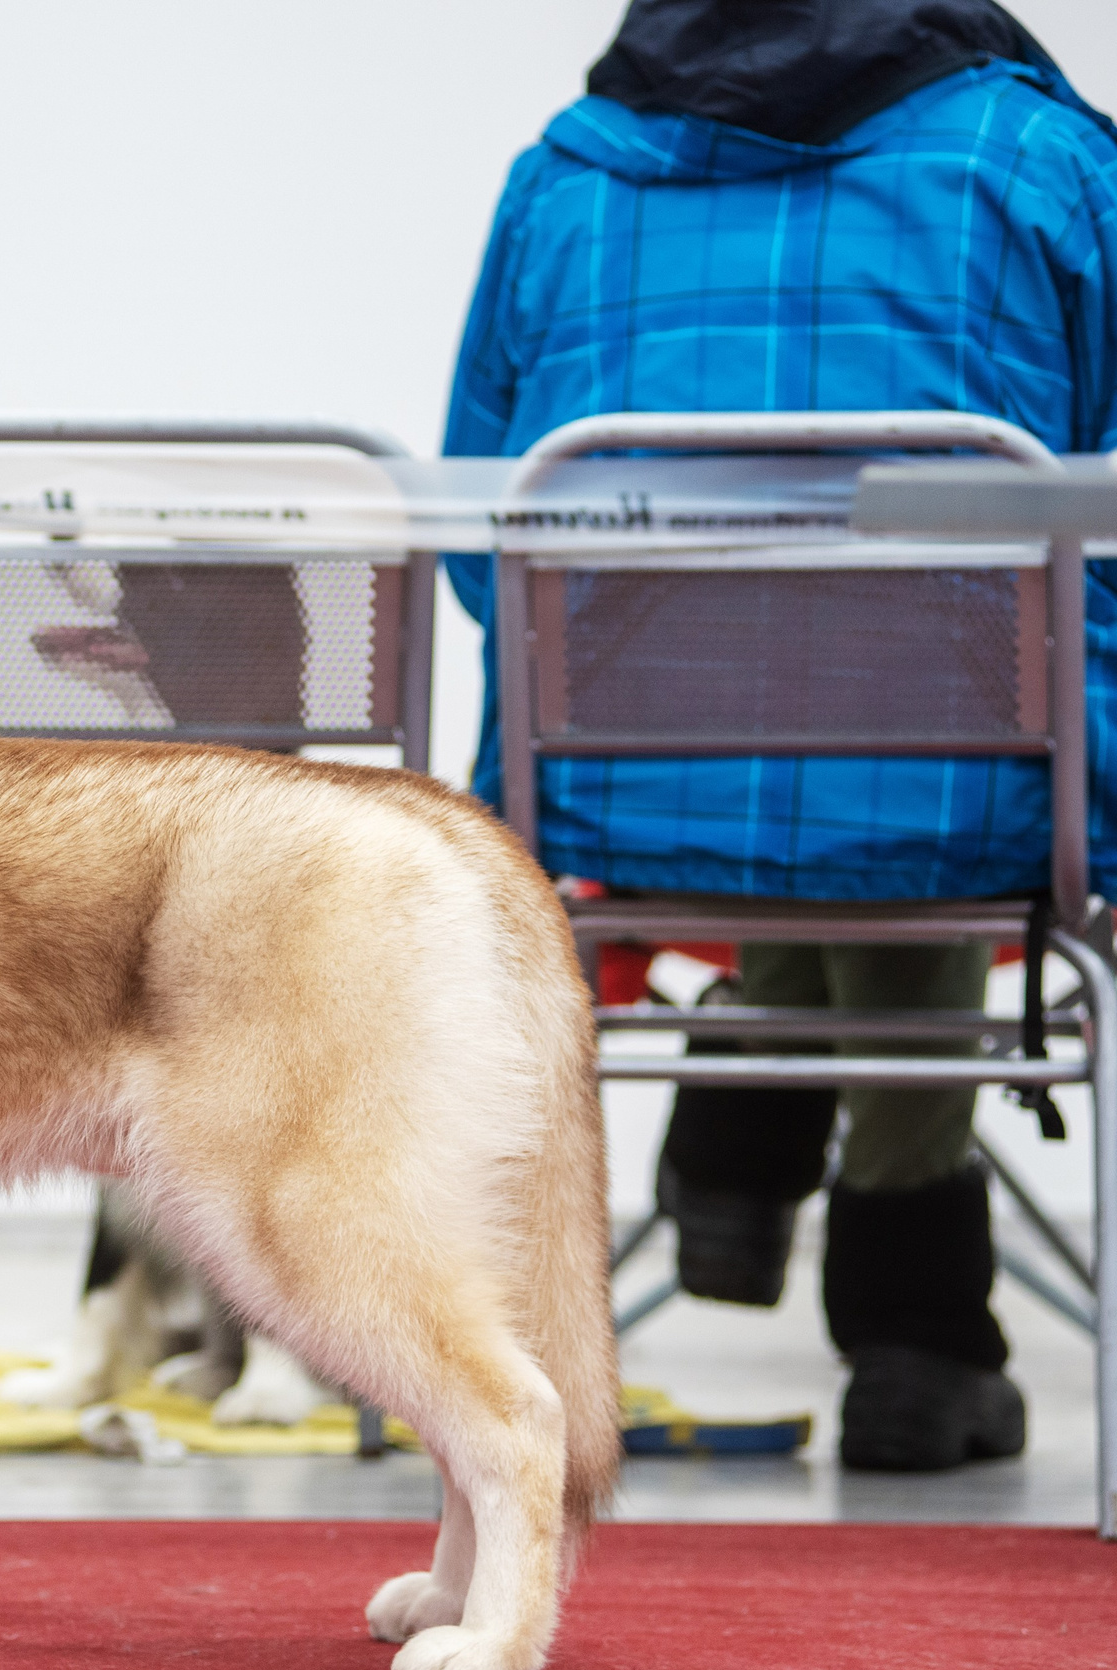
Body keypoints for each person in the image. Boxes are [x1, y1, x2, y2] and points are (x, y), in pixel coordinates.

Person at [442, 0, 1117, 1471]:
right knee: (923, 767)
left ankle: (744, 1105)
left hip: (612, 793)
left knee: (843, 768)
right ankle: (916, 1330)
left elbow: (476, 527)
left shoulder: (562, 175)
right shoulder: (1047, 161)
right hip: (968, 797)